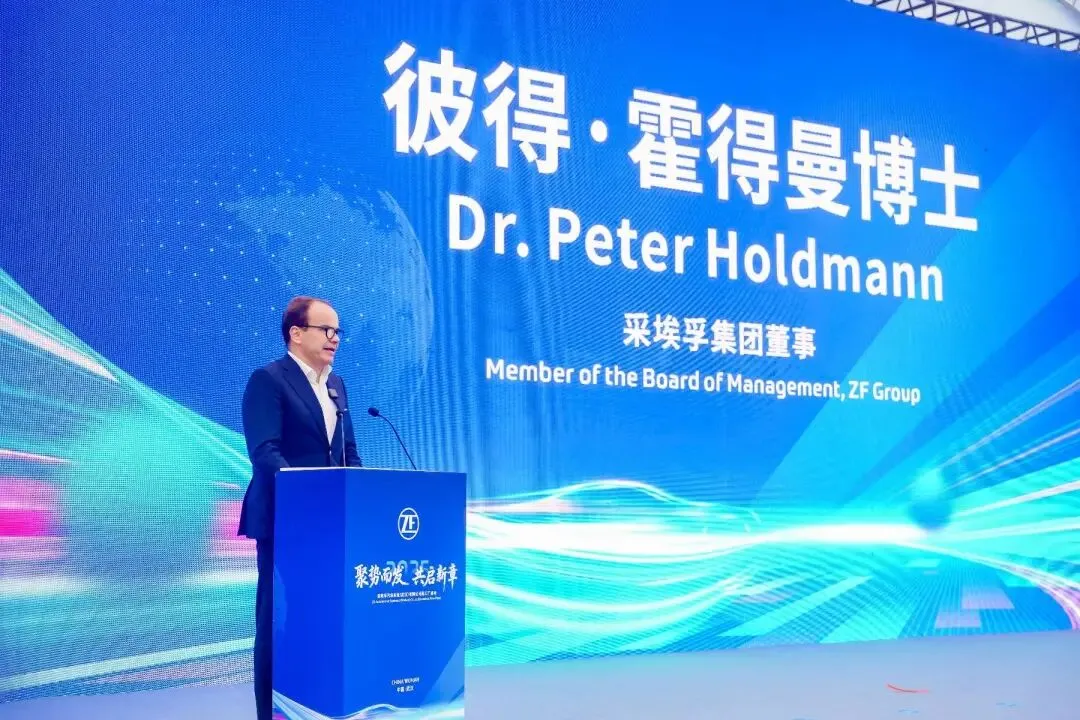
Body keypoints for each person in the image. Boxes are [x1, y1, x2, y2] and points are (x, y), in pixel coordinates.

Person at [238, 295, 362, 720]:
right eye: (326, 330)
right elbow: (264, 452)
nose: (335, 338)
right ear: (296, 333)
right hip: (285, 522)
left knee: (320, 620)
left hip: (328, 527)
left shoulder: (336, 385)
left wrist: (360, 495)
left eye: (338, 331)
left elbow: (347, 452)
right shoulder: (268, 380)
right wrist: (311, 496)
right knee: (278, 621)